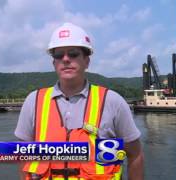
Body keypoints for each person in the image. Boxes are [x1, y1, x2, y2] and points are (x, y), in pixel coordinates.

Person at [14, 22, 144, 180]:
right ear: (53, 63)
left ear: (87, 61)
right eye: (59, 55)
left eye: (73, 54)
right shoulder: (33, 102)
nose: (66, 59)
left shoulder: (112, 102)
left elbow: (135, 155)